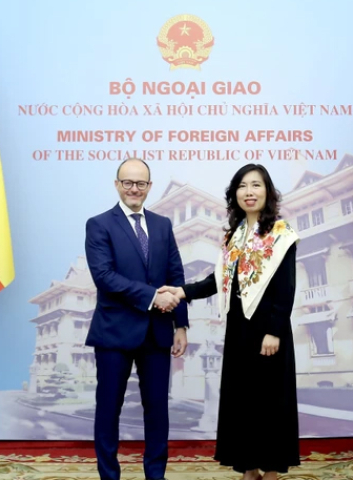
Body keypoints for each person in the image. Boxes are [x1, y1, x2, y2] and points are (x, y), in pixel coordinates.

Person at [158, 164, 300, 480]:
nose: (249, 192)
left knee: (270, 401)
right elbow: (219, 280)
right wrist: (183, 291)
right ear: (234, 194)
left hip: (268, 328)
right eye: (242, 186)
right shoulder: (234, 237)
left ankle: (272, 470)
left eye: (256, 185)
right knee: (243, 401)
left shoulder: (281, 233)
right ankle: (249, 468)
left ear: (268, 192)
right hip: (239, 328)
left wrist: (274, 330)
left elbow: (285, 285)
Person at [85, 158, 189, 480]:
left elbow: (175, 274)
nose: (134, 189)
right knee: (108, 409)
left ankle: (155, 475)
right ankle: (109, 476)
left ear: (149, 186)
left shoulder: (162, 225)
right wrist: (152, 296)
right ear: (117, 184)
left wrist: (181, 324)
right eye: (128, 182)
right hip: (114, 333)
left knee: (157, 410)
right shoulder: (99, 224)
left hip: (157, 333)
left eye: (140, 183)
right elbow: (104, 276)